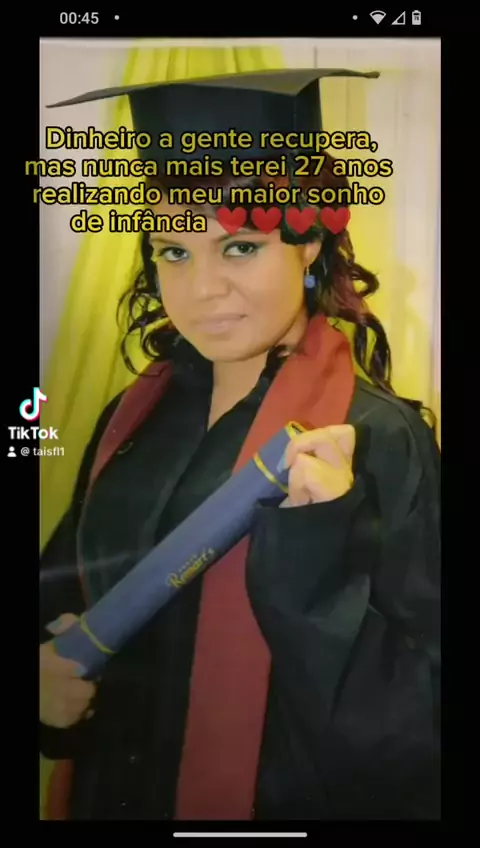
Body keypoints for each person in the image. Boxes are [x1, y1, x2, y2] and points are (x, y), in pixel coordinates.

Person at [40, 69, 441, 822]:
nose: (201, 292)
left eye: (240, 247)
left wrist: (311, 554)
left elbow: (415, 735)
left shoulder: (379, 439)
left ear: (309, 243)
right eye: (174, 252)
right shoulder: (134, 417)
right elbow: (63, 592)